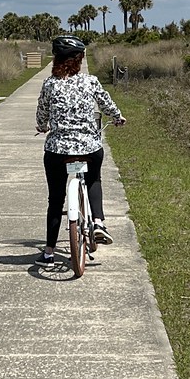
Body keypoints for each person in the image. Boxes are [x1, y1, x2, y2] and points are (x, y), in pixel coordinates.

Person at [34, 35, 126, 268]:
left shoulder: (50, 84)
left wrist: (42, 126)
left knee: (56, 199)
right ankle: (99, 223)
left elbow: (42, 113)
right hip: (88, 147)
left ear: (56, 59)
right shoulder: (90, 81)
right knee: (94, 179)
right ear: (80, 59)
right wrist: (117, 117)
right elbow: (106, 103)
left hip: (57, 151)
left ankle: (49, 252)